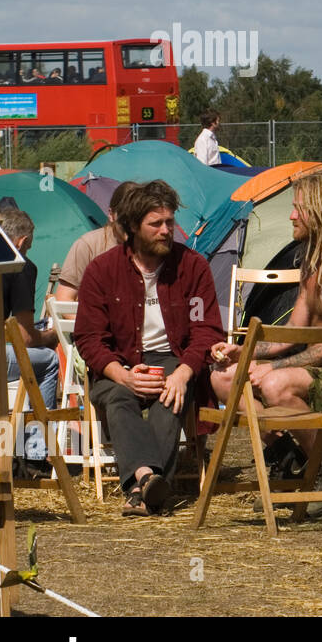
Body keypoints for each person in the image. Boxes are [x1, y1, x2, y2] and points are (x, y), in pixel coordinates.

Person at [211, 170, 322, 486]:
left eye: (299, 209)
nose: (292, 216)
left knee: (276, 384)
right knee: (225, 376)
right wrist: (246, 351)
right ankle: (289, 456)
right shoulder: (315, 261)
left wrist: (275, 368)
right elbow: (295, 328)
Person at [74, 181, 224, 517]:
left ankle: (139, 489)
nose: (165, 230)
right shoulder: (102, 271)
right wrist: (123, 376)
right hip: (120, 363)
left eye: (169, 222)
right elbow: (89, 339)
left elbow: (206, 330)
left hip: (174, 358)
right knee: (117, 396)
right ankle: (149, 480)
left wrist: (185, 372)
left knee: (171, 395)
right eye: (155, 224)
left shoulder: (192, 267)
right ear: (131, 227)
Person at [0, 207, 62, 477]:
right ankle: (35, 455)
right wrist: (51, 336)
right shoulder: (20, 264)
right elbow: (25, 337)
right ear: (23, 241)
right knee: (49, 361)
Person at [53, 181, 138, 301]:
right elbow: (64, 298)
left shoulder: (150, 247)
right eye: (124, 219)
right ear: (111, 215)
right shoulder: (88, 245)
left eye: (136, 219)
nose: (129, 225)